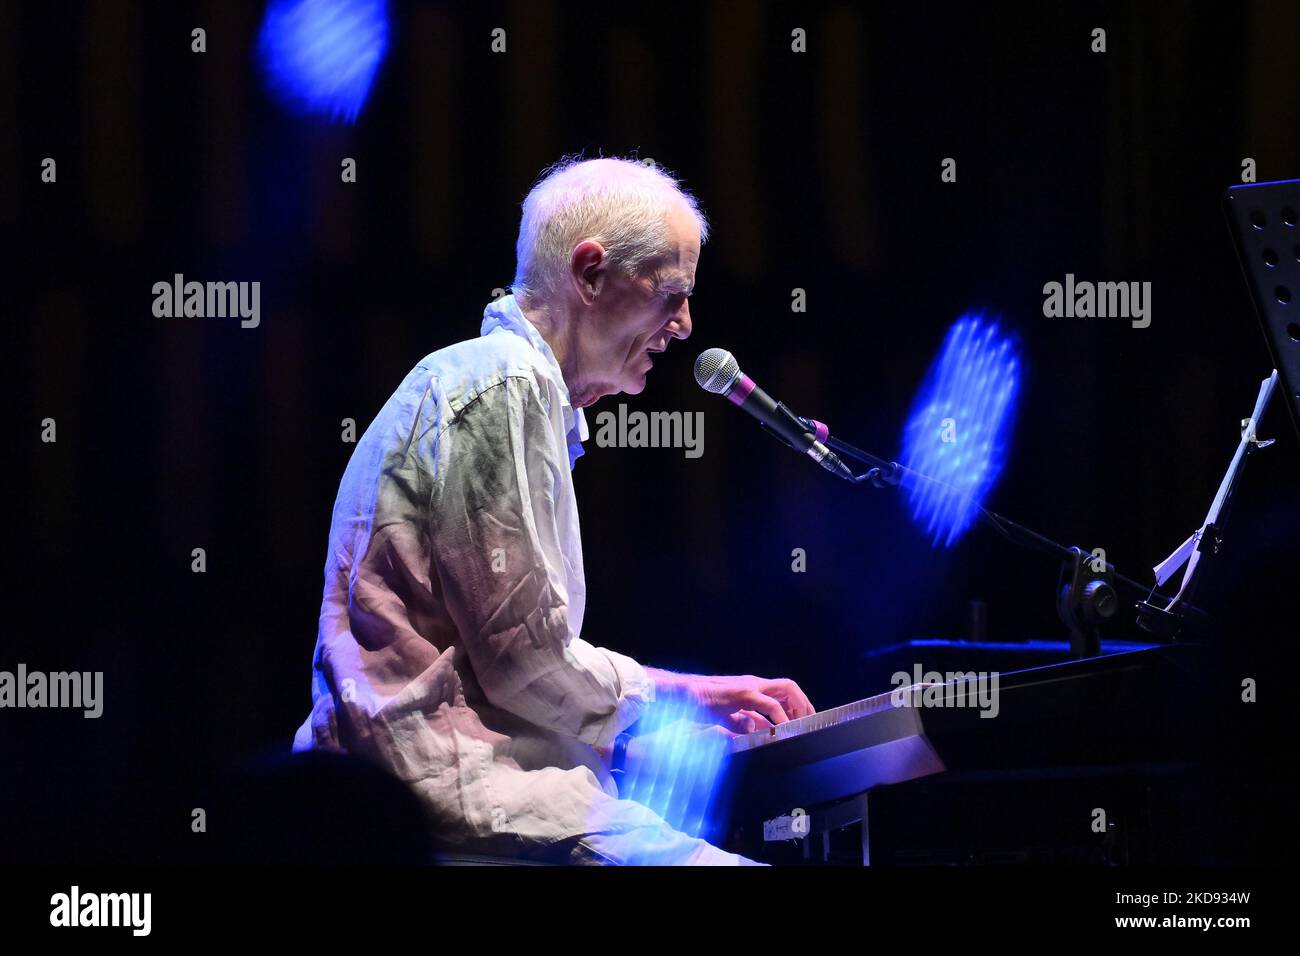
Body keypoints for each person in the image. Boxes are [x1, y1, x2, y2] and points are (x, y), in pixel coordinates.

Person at [292, 155, 814, 865]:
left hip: (462, 795)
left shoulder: (504, 388)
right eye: (671, 294)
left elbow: (490, 675)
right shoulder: (501, 382)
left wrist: (627, 734)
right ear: (591, 273)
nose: (686, 325)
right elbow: (524, 663)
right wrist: (689, 693)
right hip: (460, 809)